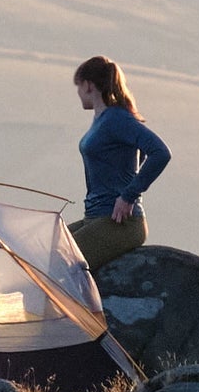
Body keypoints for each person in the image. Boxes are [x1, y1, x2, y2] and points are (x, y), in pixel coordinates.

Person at [69, 53, 169, 274]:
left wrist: (128, 195)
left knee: (63, 263)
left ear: (88, 85)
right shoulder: (101, 120)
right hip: (95, 216)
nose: (78, 93)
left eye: (78, 86)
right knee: (47, 249)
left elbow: (160, 152)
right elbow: (133, 155)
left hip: (121, 223)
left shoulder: (116, 118)